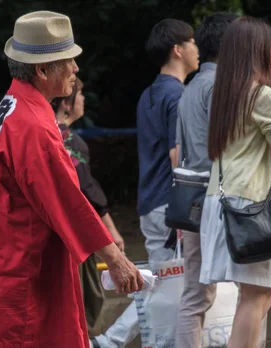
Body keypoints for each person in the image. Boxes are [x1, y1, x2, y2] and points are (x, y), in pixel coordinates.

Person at [0, 11, 144, 348]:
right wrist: (115, 259)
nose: (76, 69)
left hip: (0, 261)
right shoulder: (33, 124)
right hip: (19, 274)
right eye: (68, 61)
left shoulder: (13, 105)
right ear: (42, 70)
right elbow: (67, 200)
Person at [91, 18, 199, 348]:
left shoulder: (149, 94)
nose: (198, 49)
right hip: (173, 207)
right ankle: (110, 343)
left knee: (161, 282)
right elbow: (176, 155)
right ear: (178, 50)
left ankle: (111, 342)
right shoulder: (179, 95)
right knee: (171, 286)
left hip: (152, 202)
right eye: (193, 42)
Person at [201, 16, 271, 348]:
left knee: (265, 289)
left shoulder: (222, 96)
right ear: (255, 52)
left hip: (223, 200)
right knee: (256, 295)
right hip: (250, 204)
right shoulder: (261, 95)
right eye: (268, 47)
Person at [173, 12, 240, 348]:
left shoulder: (190, 88)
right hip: (224, 200)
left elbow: (179, 151)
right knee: (258, 287)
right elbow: (232, 148)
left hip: (191, 201)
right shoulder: (221, 87)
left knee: (196, 294)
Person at [52, 77, 126, 331]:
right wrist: (112, 233)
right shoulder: (68, 141)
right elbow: (86, 192)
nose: (83, 100)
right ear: (66, 103)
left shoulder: (48, 134)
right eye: (80, 94)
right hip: (74, 237)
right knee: (78, 310)